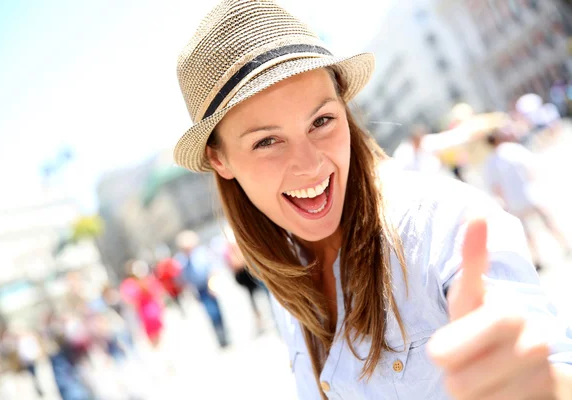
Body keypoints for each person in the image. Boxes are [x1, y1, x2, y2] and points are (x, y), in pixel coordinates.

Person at [173, 1, 572, 398]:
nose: (310, 166)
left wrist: (539, 385)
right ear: (219, 158)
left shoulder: (443, 225)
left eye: (322, 121)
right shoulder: (285, 275)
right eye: (267, 141)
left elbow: (545, 361)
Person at [484, 127, 571, 270]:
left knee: (526, 230)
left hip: (513, 200)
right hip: (530, 193)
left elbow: (495, 187)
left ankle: (537, 258)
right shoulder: (514, 149)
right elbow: (532, 167)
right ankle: (565, 244)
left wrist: (504, 201)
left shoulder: (491, 161)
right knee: (547, 220)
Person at [174, 230, 229, 348]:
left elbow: (212, 268)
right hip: (198, 289)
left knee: (217, 311)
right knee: (210, 312)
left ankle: (224, 334)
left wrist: (212, 284)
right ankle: (220, 336)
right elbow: (182, 277)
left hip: (208, 285)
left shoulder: (201, 253)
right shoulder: (181, 260)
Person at [120, 260, 166, 347]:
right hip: (143, 311)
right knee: (151, 333)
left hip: (154, 308)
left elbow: (158, 290)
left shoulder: (148, 280)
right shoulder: (130, 283)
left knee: (159, 331)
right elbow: (128, 299)